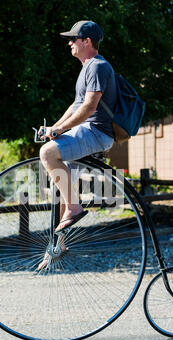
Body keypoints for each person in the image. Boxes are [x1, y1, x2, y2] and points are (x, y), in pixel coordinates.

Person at [38, 20, 116, 270]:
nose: (70, 43)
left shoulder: (98, 66)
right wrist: (54, 127)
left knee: (47, 153)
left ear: (87, 42)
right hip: (87, 130)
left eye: (74, 39)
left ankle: (75, 207)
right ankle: (57, 244)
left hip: (96, 132)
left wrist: (60, 130)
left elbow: (89, 107)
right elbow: (75, 106)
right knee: (63, 182)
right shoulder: (86, 68)